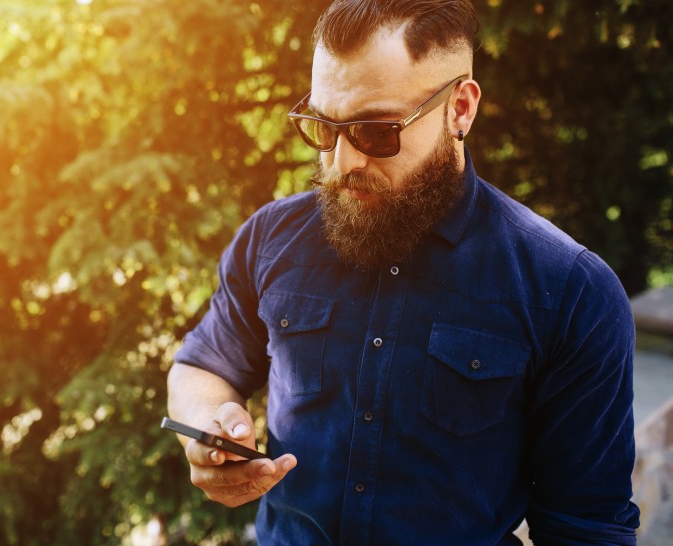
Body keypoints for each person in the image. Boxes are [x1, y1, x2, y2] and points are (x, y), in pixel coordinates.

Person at [167, 0, 641, 543]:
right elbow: (200, 366)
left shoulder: (570, 291)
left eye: (374, 131)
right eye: (323, 128)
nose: (342, 162)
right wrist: (207, 428)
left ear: (459, 109)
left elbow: (589, 528)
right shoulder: (271, 239)